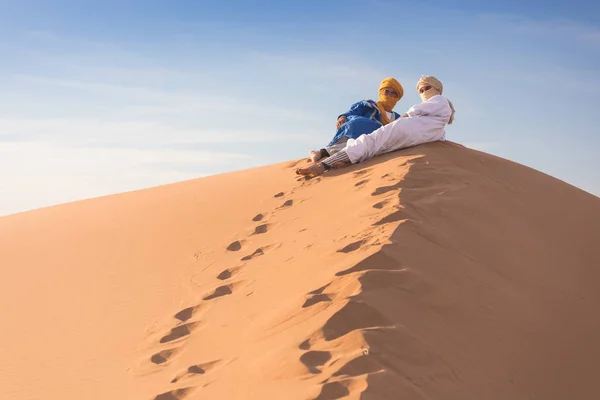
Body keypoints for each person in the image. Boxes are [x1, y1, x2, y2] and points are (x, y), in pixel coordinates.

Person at [296, 75, 455, 176]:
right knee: (370, 144)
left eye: (427, 88)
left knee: (370, 143)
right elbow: (353, 111)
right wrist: (343, 116)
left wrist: (398, 122)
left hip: (403, 131)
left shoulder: (439, 101)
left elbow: (414, 111)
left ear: (437, 90)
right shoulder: (370, 104)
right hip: (402, 134)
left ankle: (324, 165)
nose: (423, 92)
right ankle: (330, 160)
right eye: (421, 89)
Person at [309, 77, 404, 162]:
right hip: (357, 134)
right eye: (386, 92)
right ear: (381, 92)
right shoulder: (368, 105)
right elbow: (352, 112)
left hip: (375, 146)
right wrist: (342, 117)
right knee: (365, 126)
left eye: (393, 93)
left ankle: (343, 162)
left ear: (397, 97)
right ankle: (322, 153)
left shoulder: (397, 117)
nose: (389, 95)